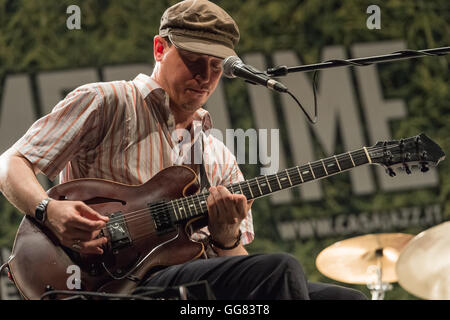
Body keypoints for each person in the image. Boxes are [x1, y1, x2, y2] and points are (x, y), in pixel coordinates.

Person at [0, 0, 366, 300]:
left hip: (187, 282)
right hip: (110, 282)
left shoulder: (218, 155)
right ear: (160, 48)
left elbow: (236, 261)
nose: (205, 77)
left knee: (346, 300)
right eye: (194, 60)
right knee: (281, 269)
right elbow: (10, 163)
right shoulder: (107, 101)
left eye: (216, 67)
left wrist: (227, 236)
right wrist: (50, 211)